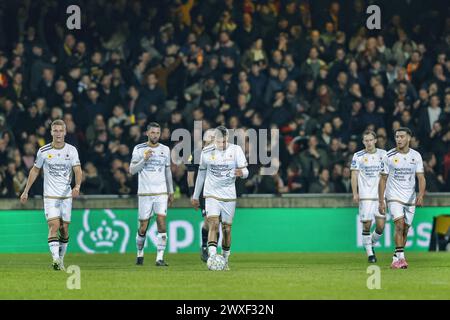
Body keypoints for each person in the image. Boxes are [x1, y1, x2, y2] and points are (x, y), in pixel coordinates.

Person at [20, 120, 82, 270]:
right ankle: (55, 260)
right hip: (50, 195)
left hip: (66, 196)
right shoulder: (44, 151)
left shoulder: (72, 150)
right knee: (54, 225)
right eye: (55, 130)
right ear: (51, 132)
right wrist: (26, 190)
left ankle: (61, 259)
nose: (58, 133)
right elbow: (35, 170)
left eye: (61, 131)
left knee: (64, 229)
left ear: (65, 132)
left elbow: (78, 169)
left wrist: (77, 186)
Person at [191, 126, 248, 270]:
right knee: (213, 223)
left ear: (227, 139)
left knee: (227, 229)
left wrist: (241, 173)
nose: (221, 145)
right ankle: (212, 257)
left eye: (223, 142)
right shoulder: (206, 152)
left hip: (229, 194)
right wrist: (195, 196)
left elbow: (246, 171)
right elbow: (201, 174)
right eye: (218, 142)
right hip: (212, 193)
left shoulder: (236, 150)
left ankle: (225, 259)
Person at [378, 127, 426, 269]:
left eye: (401, 136)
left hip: (410, 197)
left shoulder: (416, 156)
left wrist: (421, 194)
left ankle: (395, 258)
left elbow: (421, 178)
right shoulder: (388, 156)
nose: (398, 139)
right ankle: (402, 259)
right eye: (397, 137)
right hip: (393, 196)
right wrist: (381, 200)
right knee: (399, 225)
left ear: (409, 138)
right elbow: (383, 180)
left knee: (405, 229)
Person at [129, 122, 174, 267]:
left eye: (158, 133)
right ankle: (140, 253)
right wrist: (144, 159)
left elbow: (168, 171)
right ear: (147, 133)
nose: (155, 135)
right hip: (144, 193)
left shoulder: (165, 149)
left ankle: (159, 258)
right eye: (153, 132)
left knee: (161, 222)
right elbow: (132, 170)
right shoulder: (139, 149)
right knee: (143, 227)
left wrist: (171, 191)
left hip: (161, 192)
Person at [350, 130, 387, 263]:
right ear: (363, 142)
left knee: (381, 226)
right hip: (365, 196)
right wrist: (355, 193)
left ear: (375, 141)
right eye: (366, 140)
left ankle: (370, 244)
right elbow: (354, 175)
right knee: (366, 225)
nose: (369, 143)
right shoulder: (358, 156)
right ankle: (370, 254)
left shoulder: (383, 154)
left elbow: (387, 174)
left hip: (380, 195)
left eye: (371, 140)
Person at [186, 128, 219, 262]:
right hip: (203, 194)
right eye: (211, 138)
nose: (213, 141)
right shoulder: (196, 154)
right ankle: (206, 247)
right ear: (205, 140)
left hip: (218, 192)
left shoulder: (220, 154)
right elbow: (190, 177)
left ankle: (212, 248)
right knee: (210, 221)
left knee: (216, 222)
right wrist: (193, 195)